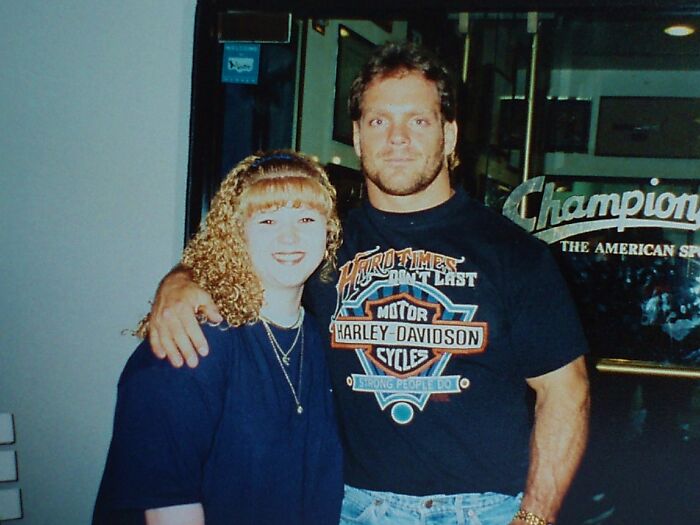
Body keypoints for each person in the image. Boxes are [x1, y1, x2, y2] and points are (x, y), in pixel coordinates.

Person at [148, 43, 590, 525]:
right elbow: (238, 262)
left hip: (482, 510)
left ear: (449, 135)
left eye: (418, 121)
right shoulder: (320, 242)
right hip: (351, 506)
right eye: (379, 121)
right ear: (358, 137)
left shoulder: (514, 253)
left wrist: (534, 518)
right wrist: (181, 280)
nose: (397, 138)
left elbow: (566, 393)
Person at [93, 151, 344, 525]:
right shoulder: (191, 341)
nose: (290, 236)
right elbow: (166, 508)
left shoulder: (324, 336)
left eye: (306, 218)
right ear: (236, 234)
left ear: (329, 231)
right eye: (268, 220)